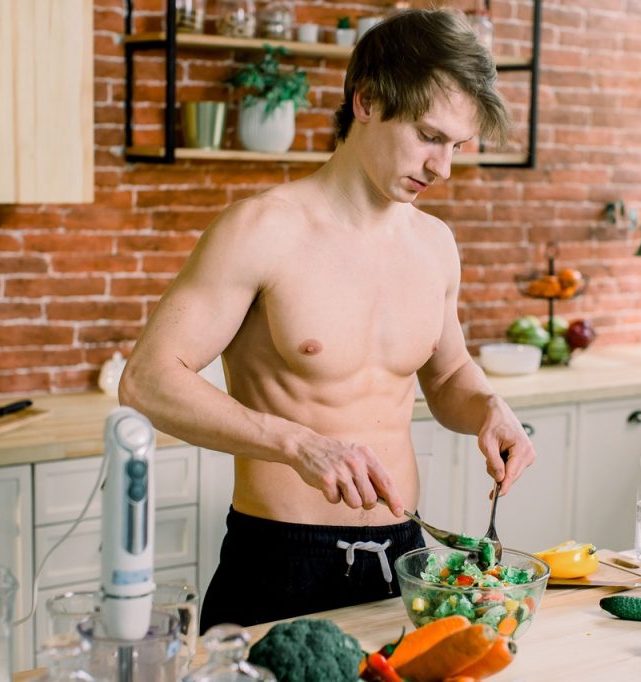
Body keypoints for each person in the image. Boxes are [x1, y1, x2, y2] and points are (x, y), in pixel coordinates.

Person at [119, 8, 536, 630]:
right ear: (365, 101)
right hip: (281, 559)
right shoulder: (262, 229)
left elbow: (448, 377)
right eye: (428, 136)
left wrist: (489, 409)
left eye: (457, 146)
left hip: (404, 556)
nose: (442, 167)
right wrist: (298, 444)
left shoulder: (435, 243)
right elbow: (147, 380)